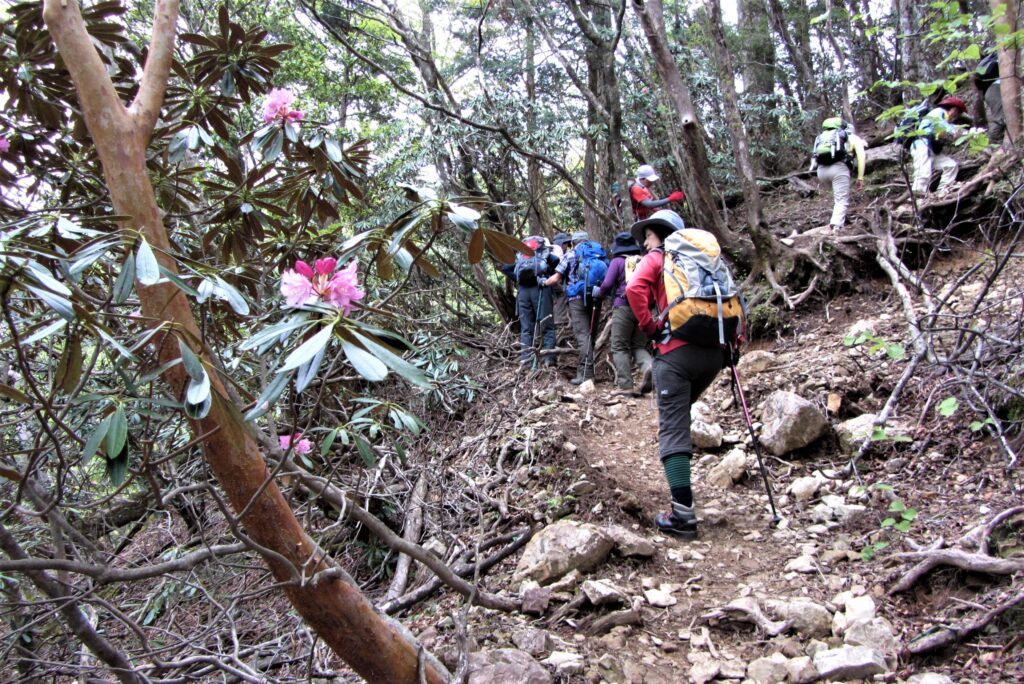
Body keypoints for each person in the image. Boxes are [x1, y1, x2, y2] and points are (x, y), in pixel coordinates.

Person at [625, 210, 730, 540]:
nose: (645, 243)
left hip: (676, 353)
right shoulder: (706, 260)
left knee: (673, 428)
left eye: (648, 236)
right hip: (715, 352)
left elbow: (634, 289)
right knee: (680, 415)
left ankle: (683, 517)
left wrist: (650, 328)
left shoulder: (659, 257)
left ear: (660, 234)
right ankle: (683, 491)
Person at [594, 231, 652, 393]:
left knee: (619, 346)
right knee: (638, 345)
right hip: (644, 308)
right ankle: (649, 367)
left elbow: (607, 284)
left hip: (623, 307)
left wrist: (598, 292)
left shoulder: (617, 261)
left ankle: (626, 386)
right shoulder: (644, 260)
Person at [544, 230, 605, 385]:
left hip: (576, 299)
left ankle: (586, 374)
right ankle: (588, 371)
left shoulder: (570, 255)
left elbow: (556, 278)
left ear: (573, 243)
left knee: (583, 335)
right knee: (591, 333)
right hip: (596, 297)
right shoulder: (598, 253)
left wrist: (543, 282)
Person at [499, 236, 561, 368]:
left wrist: (518, 279)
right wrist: (548, 275)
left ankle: (526, 360)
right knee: (547, 325)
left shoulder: (520, 256)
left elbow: (505, 268)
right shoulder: (544, 254)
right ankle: (549, 359)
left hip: (523, 293)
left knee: (526, 328)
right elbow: (557, 262)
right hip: (541, 289)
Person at [808, 117, 866, 230]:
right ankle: (836, 227)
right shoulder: (852, 137)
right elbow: (861, 157)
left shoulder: (822, 138)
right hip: (838, 169)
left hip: (821, 172)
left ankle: (841, 218)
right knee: (841, 199)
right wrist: (860, 178)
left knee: (838, 197)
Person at [910, 96, 967, 196]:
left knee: (951, 166)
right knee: (923, 173)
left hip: (931, 148)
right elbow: (941, 124)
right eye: (958, 112)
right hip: (922, 145)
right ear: (954, 109)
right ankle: (916, 199)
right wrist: (954, 132)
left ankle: (942, 193)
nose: (957, 116)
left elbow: (948, 128)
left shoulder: (945, 118)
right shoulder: (938, 112)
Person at [974, 52, 1006, 147]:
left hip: (990, 92)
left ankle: (992, 143)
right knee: (1000, 118)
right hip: (995, 90)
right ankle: (991, 145)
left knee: (997, 118)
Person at [550, 232, 573, 344]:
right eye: (566, 244)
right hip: (554, 283)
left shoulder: (549, 251)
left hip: (546, 284)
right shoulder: (558, 253)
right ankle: (560, 325)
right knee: (561, 297)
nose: (567, 247)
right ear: (562, 244)